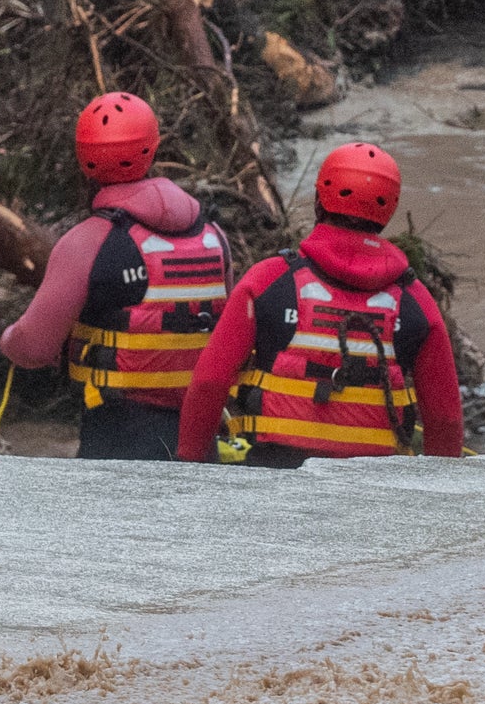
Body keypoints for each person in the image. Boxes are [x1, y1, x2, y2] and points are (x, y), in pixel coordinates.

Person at [175, 142, 465, 467]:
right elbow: (446, 419)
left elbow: (210, 382)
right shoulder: (417, 301)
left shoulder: (268, 280)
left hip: (272, 479)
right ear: (388, 211)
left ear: (318, 201)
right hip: (377, 490)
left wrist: (192, 468)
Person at [0, 93, 235, 457]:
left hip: (117, 436)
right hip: (199, 436)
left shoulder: (86, 241)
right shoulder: (213, 236)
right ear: (153, 148)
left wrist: (9, 339)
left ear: (83, 159)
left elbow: (33, 348)